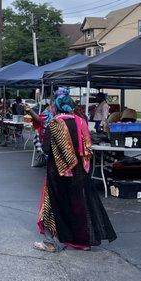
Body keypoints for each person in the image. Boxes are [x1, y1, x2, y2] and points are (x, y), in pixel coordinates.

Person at [33, 88, 116, 252]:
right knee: (78, 204)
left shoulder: (55, 123)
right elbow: (87, 147)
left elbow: (47, 149)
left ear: (57, 106)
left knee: (52, 204)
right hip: (80, 171)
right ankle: (82, 242)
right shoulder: (81, 121)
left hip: (58, 172)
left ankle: (49, 242)